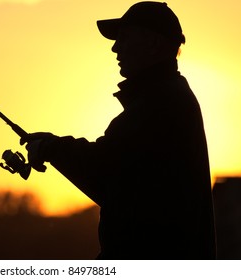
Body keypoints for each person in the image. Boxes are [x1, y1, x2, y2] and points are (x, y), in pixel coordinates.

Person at [21, 1, 216, 259]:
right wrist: (52, 146)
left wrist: (50, 148)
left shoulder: (160, 103)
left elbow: (103, 168)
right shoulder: (167, 98)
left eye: (124, 38)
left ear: (154, 44)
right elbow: (115, 178)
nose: (115, 48)